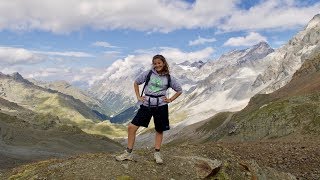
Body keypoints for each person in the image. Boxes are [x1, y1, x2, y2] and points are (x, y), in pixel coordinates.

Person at [116, 54, 182, 164]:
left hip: (161, 106)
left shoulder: (169, 77)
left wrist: (170, 99)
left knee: (159, 130)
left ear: (164, 63)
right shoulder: (148, 73)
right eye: (155, 63)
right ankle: (128, 153)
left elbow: (179, 90)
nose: (157, 65)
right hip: (146, 105)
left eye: (159, 63)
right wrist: (138, 96)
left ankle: (157, 154)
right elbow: (136, 82)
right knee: (132, 127)